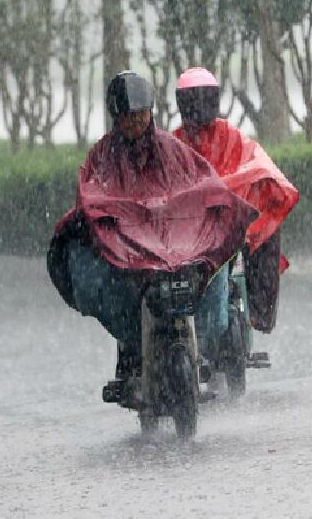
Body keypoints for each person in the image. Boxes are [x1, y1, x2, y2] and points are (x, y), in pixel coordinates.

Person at [47, 71, 256, 384]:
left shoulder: (174, 150)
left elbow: (203, 183)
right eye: (128, 117)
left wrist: (216, 206)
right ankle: (131, 356)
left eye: (141, 115)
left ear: (150, 112)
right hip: (130, 256)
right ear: (116, 117)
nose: (135, 123)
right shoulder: (101, 158)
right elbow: (94, 197)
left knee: (215, 269)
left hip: (178, 248)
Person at [171, 67, 299, 333]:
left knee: (267, 233)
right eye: (192, 99)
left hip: (227, 226)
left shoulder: (228, 137)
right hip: (188, 233)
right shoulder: (175, 143)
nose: (198, 106)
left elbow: (257, 166)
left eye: (203, 98)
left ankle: (258, 314)